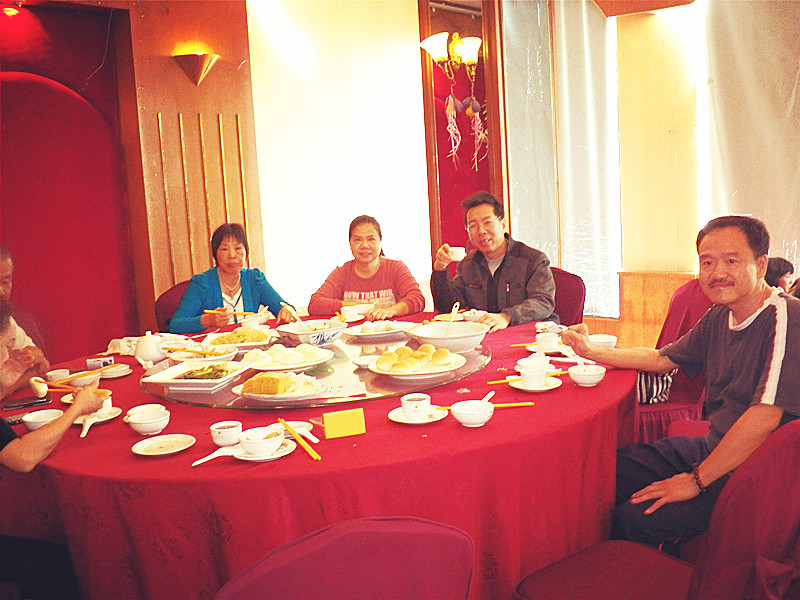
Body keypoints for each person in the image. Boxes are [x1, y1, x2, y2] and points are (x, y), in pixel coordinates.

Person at [561, 215, 800, 553]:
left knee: (636, 517)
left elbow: (764, 418)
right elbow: (662, 359)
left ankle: (645, 569)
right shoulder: (721, 314)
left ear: (760, 265)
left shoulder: (787, 318)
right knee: (608, 472)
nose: (717, 273)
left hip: (760, 471)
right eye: (708, 262)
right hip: (716, 445)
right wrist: (590, 351)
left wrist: (696, 480)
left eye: (732, 261)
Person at [431, 191, 556, 332]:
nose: (481, 231)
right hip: (484, 335)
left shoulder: (533, 260)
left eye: (487, 222)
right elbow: (448, 306)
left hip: (526, 334)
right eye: (473, 225)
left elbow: (543, 302)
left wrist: (507, 316)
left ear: (502, 224)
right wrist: (440, 269)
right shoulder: (468, 265)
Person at [169, 223, 293, 333]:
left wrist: (287, 311)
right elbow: (175, 325)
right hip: (215, 349)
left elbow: (284, 308)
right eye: (224, 249)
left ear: (246, 252)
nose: (232, 255)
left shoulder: (255, 279)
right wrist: (208, 320)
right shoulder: (202, 283)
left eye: (238, 248)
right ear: (215, 254)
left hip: (252, 346)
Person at [308, 215, 425, 320]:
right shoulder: (342, 273)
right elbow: (315, 304)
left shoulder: (396, 268)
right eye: (358, 240)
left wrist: (390, 311)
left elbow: (417, 299)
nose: (364, 245)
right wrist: (358, 306)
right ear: (350, 244)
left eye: (371, 239)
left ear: (380, 241)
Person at [0, 247, 49, 383]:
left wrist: (29, 359)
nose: (1, 292)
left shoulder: (5, 320)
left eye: (5, 282)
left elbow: (42, 366)